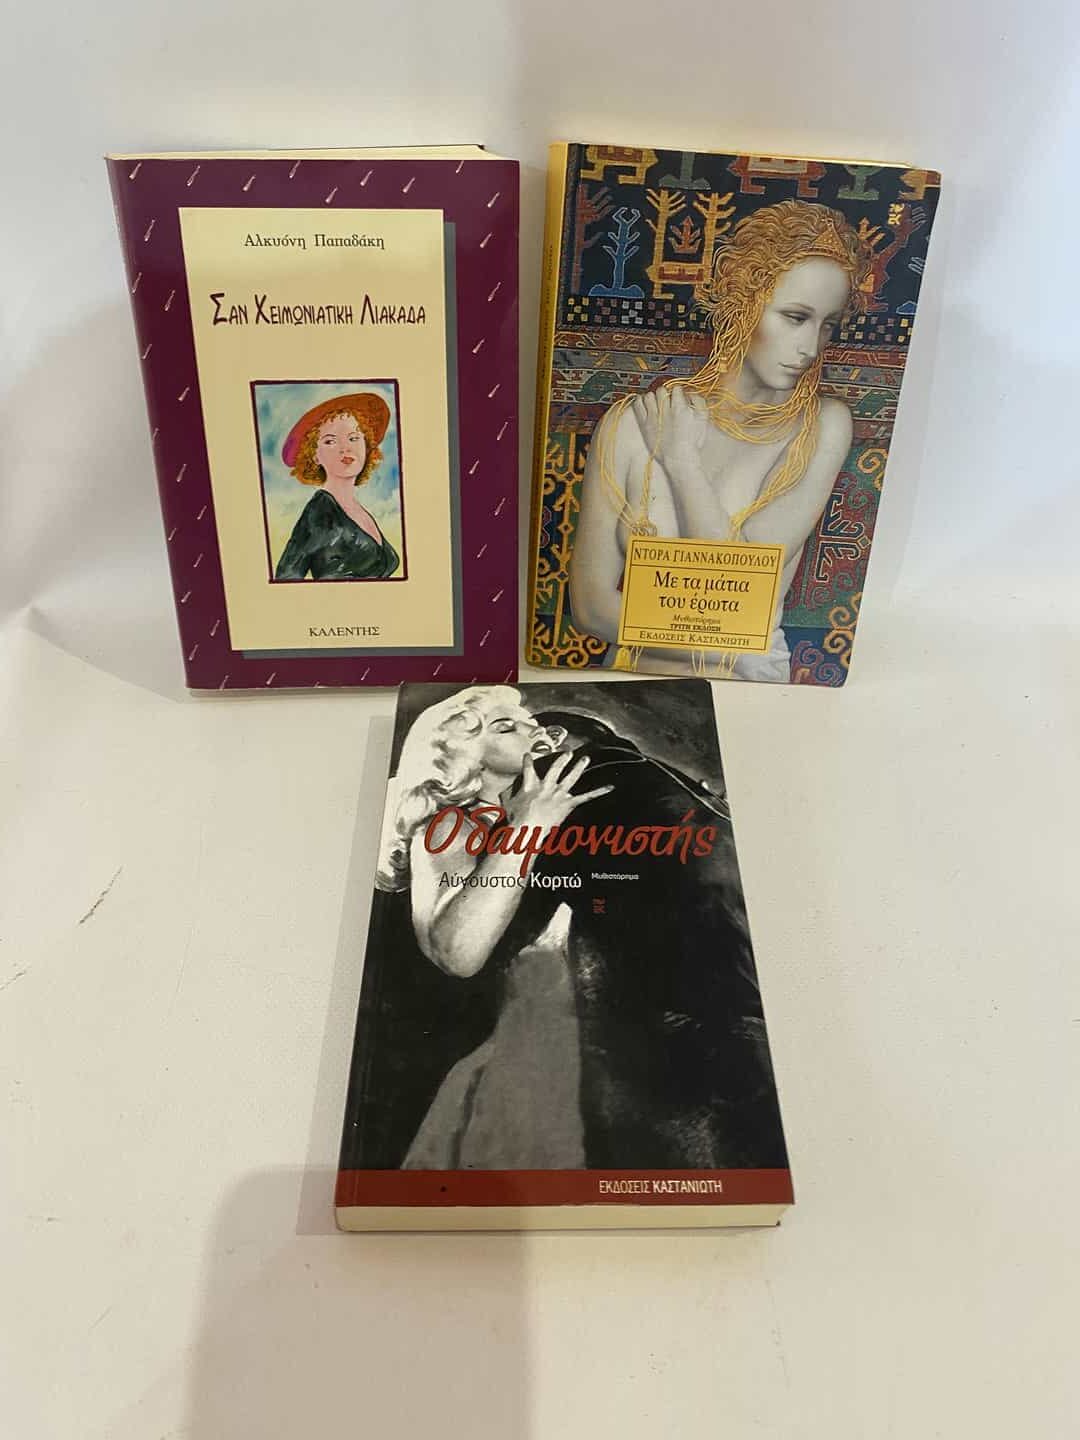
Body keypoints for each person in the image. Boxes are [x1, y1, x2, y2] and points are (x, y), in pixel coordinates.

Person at [569, 200, 870, 681]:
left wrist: (681, 461)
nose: (811, 348)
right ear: (741, 304)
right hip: (626, 682)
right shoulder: (631, 422)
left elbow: (734, 576)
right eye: (796, 317)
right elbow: (589, 608)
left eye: (827, 325)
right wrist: (726, 640)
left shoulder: (823, 425)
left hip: (748, 690)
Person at [273, 392, 400, 580]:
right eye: (330, 441)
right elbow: (286, 577)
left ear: (366, 445)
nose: (345, 448)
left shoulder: (358, 510)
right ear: (314, 455)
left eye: (353, 438)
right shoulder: (319, 513)